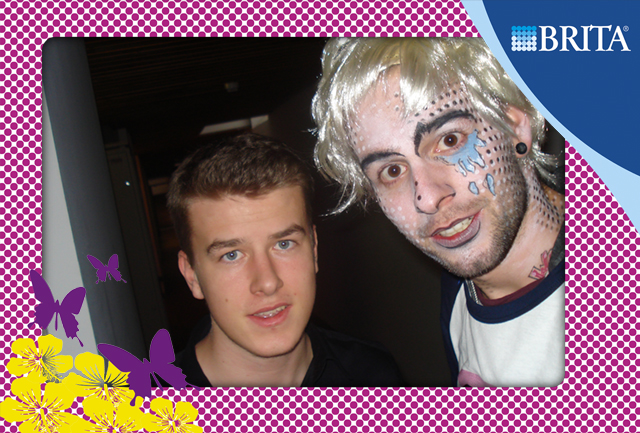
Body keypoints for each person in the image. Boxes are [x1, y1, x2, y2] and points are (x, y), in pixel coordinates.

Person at [311, 38, 565, 387]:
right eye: (392, 171)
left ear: (515, 126)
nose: (427, 198)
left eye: (449, 140)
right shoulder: (459, 288)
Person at [166, 132, 404, 387]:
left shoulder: (373, 376)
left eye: (284, 244)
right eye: (231, 255)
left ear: (313, 248)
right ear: (192, 275)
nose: (268, 283)